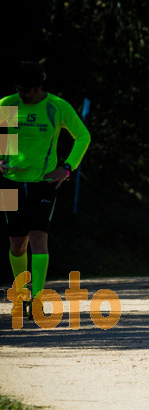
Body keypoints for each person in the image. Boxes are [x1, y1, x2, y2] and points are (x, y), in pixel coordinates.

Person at [0, 61, 91, 318]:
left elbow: (83, 136)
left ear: (39, 87)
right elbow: (6, 133)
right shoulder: (8, 104)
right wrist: (1, 157)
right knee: (16, 243)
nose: (22, 95)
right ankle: (21, 294)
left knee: (38, 237)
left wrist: (67, 168)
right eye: (18, 90)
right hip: (10, 183)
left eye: (26, 91)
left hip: (44, 183)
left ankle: (37, 299)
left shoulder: (56, 107)